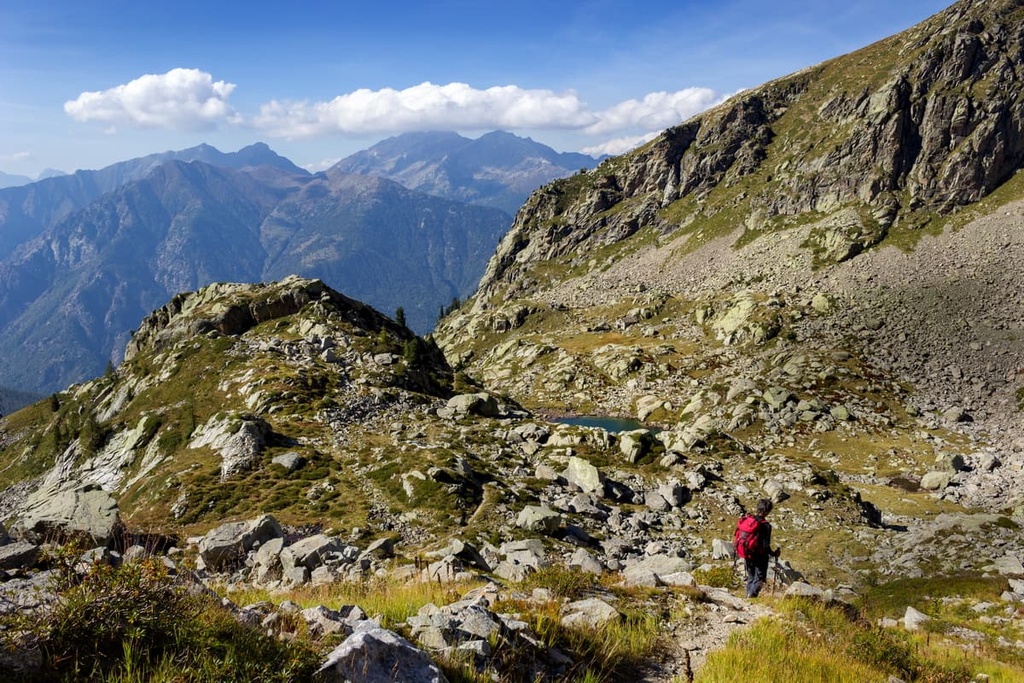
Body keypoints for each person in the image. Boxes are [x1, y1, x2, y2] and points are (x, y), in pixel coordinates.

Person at [735, 498, 780, 598]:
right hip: (760, 556)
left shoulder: (748, 520)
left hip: (747, 553)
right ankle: (751, 596)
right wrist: (773, 554)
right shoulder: (765, 526)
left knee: (751, 576)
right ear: (767, 511)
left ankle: (748, 596)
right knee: (760, 578)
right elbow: (765, 546)